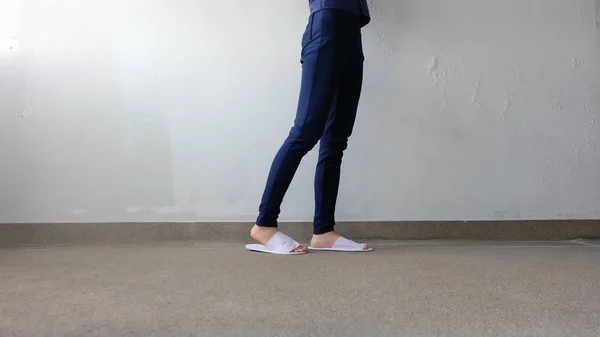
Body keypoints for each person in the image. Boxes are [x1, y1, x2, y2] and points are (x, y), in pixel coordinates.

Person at [246, 0, 372, 255]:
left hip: (352, 33)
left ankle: (324, 232)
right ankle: (264, 224)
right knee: (306, 131)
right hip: (325, 25)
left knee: (337, 138)